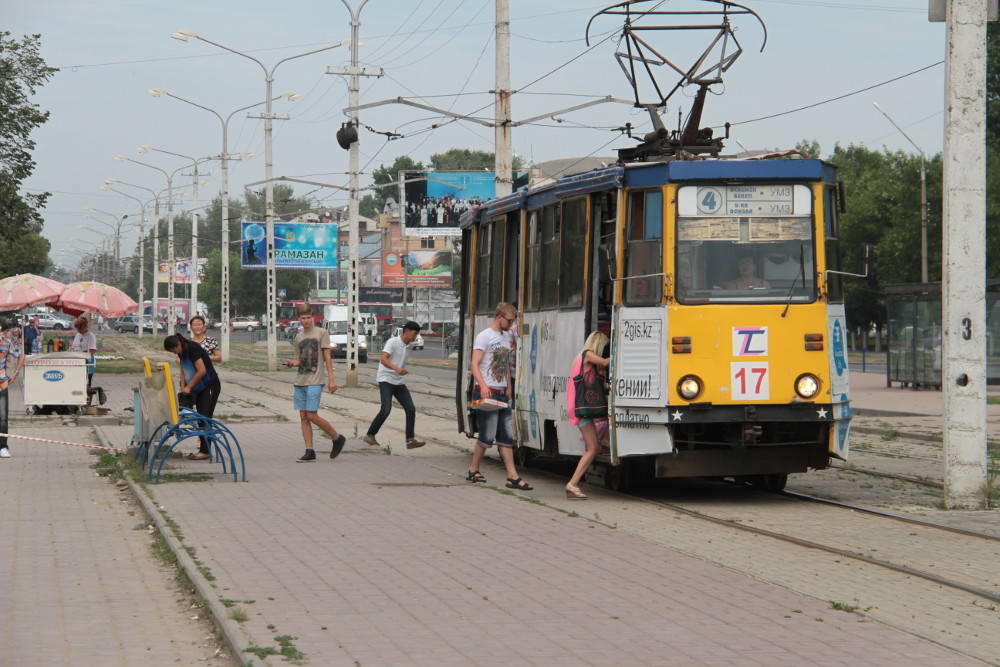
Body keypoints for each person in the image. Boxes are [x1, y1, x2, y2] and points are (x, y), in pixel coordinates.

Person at [466, 302, 532, 491]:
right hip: (487, 392)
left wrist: (509, 385)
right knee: (487, 435)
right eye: (509, 320)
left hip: (502, 391)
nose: (511, 325)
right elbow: (474, 364)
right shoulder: (484, 336)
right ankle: (473, 469)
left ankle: (513, 476)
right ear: (499, 317)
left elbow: (504, 364)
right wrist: (483, 385)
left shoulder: (505, 338)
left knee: (506, 437)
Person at [285, 304, 346, 462]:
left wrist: (331, 378)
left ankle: (337, 437)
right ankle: (309, 450)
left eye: (308, 318)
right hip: (300, 380)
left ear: (313, 317)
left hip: (315, 380)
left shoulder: (322, 333)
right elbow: (300, 359)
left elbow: (327, 357)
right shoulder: (298, 337)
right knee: (303, 416)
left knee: (311, 415)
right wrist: (293, 363)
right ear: (299, 319)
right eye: (303, 318)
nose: (306, 321)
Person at [363, 321, 425, 450]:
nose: (415, 337)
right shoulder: (393, 342)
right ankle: (370, 435)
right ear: (406, 331)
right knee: (386, 409)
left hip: (399, 381)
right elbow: (384, 359)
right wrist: (396, 368)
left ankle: (410, 440)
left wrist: (400, 371)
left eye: (417, 334)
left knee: (410, 409)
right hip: (386, 378)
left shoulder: (410, 345)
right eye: (414, 334)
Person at [564, 331, 611, 500]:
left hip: (581, 408)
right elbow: (606, 362)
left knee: (595, 446)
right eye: (604, 346)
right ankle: (573, 484)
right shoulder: (588, 354)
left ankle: (574, 484)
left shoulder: (582, 357)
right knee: (593, 448)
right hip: (582, 409)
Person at [163, 332, 221, 460]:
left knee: (205, 417)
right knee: (200, 417)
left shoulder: (192, 348)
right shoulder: (181, 350)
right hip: (198, 387)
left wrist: (189, 387)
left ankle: (205, 451)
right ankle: (203, 449)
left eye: (173, 351)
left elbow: (202, 371)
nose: (174, 353)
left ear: (177, 345)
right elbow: (183, 369)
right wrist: (182, 385)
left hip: (209, 386)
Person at [0, 319, 22, 458]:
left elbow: (20, 355)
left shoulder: (6, 342)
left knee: (2, 417)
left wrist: (15, 373)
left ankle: (2, 446)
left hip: (2, 382)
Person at [70, 316, 100, 406]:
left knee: (88, 382)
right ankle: (76, 399)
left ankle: (87, 401)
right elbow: (74, 347)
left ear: (84, 326)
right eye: (77, 329)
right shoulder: (78, 335)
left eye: (79, 328)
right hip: (78, 360)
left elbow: (93, 350)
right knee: (78, 380)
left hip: (88, 361)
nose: (78, 330)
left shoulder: (91, 336)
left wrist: (84, 353)